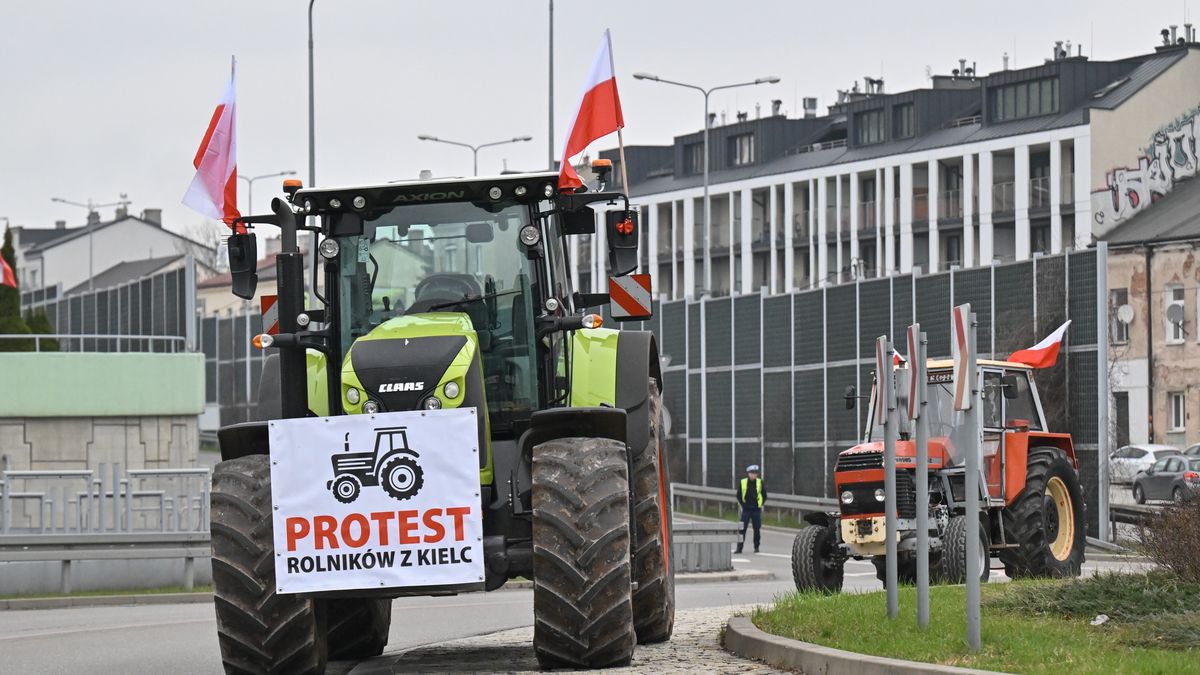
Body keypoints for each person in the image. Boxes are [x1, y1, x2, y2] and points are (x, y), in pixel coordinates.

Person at [735, 464, 766, 554]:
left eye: (755, 473)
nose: (754, 475)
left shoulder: (760, 482)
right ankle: (739, 548)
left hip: (756, 510)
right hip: (746, 510)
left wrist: (760, 504)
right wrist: (743, 504)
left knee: (757, 529)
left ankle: (756, 547)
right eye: (752, 473)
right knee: (742, 529)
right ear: (748, 473)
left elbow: (764, 495)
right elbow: (738, 495)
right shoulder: (743, 482)